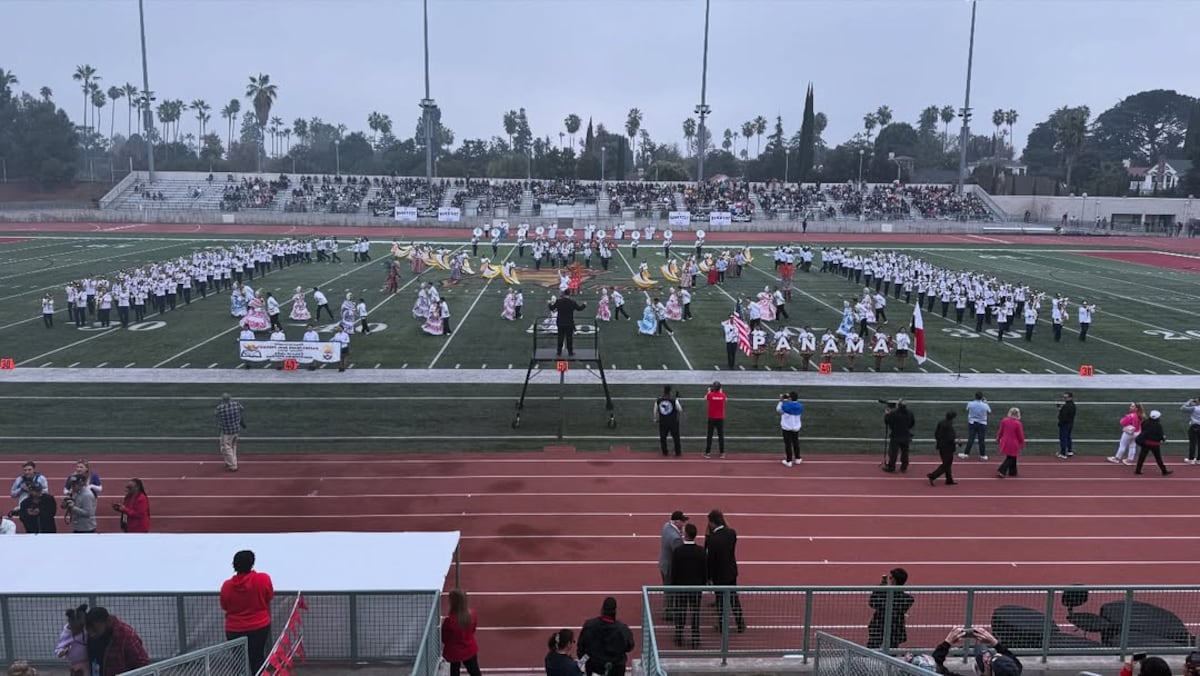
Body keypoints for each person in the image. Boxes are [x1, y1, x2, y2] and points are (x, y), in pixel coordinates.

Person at [219, 550, 275, 674]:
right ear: (252, 563)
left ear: (234, 565)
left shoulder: (227, 586)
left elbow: (224, 605)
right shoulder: (263, 579)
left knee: (239, 661)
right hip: (259, 626)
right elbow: (269, 596)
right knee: (257, 658)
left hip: (234, 628)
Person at [706, 509, 745, 633]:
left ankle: (723, 625)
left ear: (712, 523)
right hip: (731, 571)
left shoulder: (712, 539)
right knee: (734, 598)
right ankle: (740, 623)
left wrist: (709, 577)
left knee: (720, 601)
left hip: (719, 575)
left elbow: (711, 560)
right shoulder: (731, 533)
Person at [670, 522, 707, 648]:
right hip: (696, 589)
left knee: (681, 612)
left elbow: (674, 571)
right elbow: (705, 571)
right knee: (695, 614)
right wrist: (702, 585)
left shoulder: (678, 551)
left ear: (685, 535)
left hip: (681, 588)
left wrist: (673, 587)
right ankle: (695, 639)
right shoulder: (701, 552)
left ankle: (679, 636)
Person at [577, 597, 634, 676]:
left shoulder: (589, 626)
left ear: (602, 610)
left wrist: (585, 661)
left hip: (593, 667)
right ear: (615, 611)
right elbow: (630, 646)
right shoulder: (622, 630)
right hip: (616, 669)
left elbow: (580, 648)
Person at [84, 607, 150, 676]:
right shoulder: (92, 636)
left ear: (108, 621)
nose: (92, 634)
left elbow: (142, 664)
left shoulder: (126, 636)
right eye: (88, 630)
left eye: (95, 630)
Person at [932, 627, 1021, 676]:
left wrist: (946, 643)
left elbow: (933, 667)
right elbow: (1016, 665)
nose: (986, 656)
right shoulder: (1013, 672)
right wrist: (995, 643)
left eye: (987, 661)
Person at [866, 568, 914, 650]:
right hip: (896, 629)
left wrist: (881, 588)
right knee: (892, 651)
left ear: (894, 580)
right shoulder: (907, 599)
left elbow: (872, 602)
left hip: (879, 626)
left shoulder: (884, 594)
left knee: (872, 650)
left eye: (891, 578)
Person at [442, 589, 482, 676]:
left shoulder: (449, 621)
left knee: (454, 672)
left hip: (454, 652)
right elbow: (473, 630)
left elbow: (444, 638)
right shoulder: (472, 614)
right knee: (475, 671)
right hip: (469, 648)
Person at [1134, 410, 1173, 476]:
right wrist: (1163, 439)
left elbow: (1143, 430)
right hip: (1155, 444)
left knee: (1142, 457)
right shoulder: (1158, 425)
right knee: (1158, 458)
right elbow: (1160, 435)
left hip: (1145, 443)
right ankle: (1164, 471)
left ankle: (1138, 470)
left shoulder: (1145, 422)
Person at [55, 604, 90, 676]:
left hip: (88, 661)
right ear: (70, 624)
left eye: (80, 628)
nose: (77, 631)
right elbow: (60, 647)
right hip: (75, 664)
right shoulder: (66, 634)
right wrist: (62, 652)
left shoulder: (86, 629)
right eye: (75, 629)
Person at [882, 401, 915, 473]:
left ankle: (891, 467)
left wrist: (887, 414)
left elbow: (887, 421)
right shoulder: (910, 413)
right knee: (905, 453)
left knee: (893, 453)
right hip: (906, 435)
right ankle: (904, 467)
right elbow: (912, 423)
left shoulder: (894, 413)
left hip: (895, 436)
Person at [550, 290, 586, 357]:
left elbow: (552, 308)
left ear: (563, 294)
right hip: (569, 323)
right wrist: (584, 305)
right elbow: (579, 309)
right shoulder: (572, 302)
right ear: (569, 294)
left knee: (560, 337)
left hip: (560, 322)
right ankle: (570, 352)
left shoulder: (558, 301)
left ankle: (559, 352)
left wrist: (549, 304)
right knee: (569, 338)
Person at [928, 411, 961, 486]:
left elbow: (936, 433)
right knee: (946, 464)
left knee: (947, 463)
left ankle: (949, 479)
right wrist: (958, 442)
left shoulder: (941, 423)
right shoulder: (949, 426)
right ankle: (933, 476)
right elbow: (951, 438)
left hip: (941, 446)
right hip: (947, 448)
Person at [215, 393, 246, 472]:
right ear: (230, 398)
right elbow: (242, 409)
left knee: (227, 448)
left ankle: (233, 465)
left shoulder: (220, 408)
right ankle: (229, 462)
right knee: (232, 447)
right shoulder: (236, 404)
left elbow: (216, 414)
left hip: (226, 431)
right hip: (236, 429)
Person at [996, 408, 1025, 478]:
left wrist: (998, 438)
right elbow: (1020, 435)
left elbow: (1001, 431)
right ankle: (1002, 470)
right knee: (1011, 457)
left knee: (1011, 456)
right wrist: (1022, 443)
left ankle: (1013, 471)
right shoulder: (1017, 423)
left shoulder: (1004, 421)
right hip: (1013, 443)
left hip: (1005, 441)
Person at [961, 392, 991, 460]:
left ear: (975, 396)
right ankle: (982, 455)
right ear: (982, 397)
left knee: (971, 439)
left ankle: (966, 453)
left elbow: (966, 409)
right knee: (981, 440)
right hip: (982, 423)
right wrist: (986, 403)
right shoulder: (985, 405)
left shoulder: (970, 403)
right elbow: (989, 412)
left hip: (972, 423)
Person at [654, 387, 683, 457]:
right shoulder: (674, 400)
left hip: (663, 422)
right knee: (676, 438)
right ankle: (678, 452)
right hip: (673, 422)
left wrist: (655, 418)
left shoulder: (658, 400)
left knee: (663, 437)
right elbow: (680, 409)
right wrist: (678, 401)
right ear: (670, 392)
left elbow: (655, 410)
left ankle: (665, 452)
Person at [777, 392, 804, 467]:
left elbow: (779, 410)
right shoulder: (800, 405)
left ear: (790, 398)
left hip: (787, 427)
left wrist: (781, 400)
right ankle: (798, 458)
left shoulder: (786, 406)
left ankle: (789, 461)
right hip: (796, 427)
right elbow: (792, 406)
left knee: (788, 444)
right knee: (796, 443)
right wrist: (786, 400)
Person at [704, 382, 727, 459]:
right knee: (721, 436)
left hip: (711, 418)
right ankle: (722, 453)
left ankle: (707, 452)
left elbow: (705, 398)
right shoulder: (723, 395)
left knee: (709, 435)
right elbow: (726, 399)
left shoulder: (710, 395)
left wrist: (709, 391)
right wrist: (721, 392)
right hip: (720, 418)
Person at [1055, 391, 1076, 459]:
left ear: (1070, 397)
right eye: (1064, 397)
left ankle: (1063, 453)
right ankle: (1069, 451)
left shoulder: (1066, 406)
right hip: (1070, 424)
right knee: (1068, 437)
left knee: (1063, 438)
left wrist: (1060, 422)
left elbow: (1063, 416)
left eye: (1066, 397)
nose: (1064, 398)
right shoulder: (1072, 405)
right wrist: (1060, 409)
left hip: (1065, 424)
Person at [1182, 397, 1200, 465]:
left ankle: (1191, 459)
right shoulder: (1195, 407)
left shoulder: (1194, 408)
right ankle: (1199, 460)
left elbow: (1183, 408)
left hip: (1194, 427)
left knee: (1193, 443)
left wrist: (1188, 402)